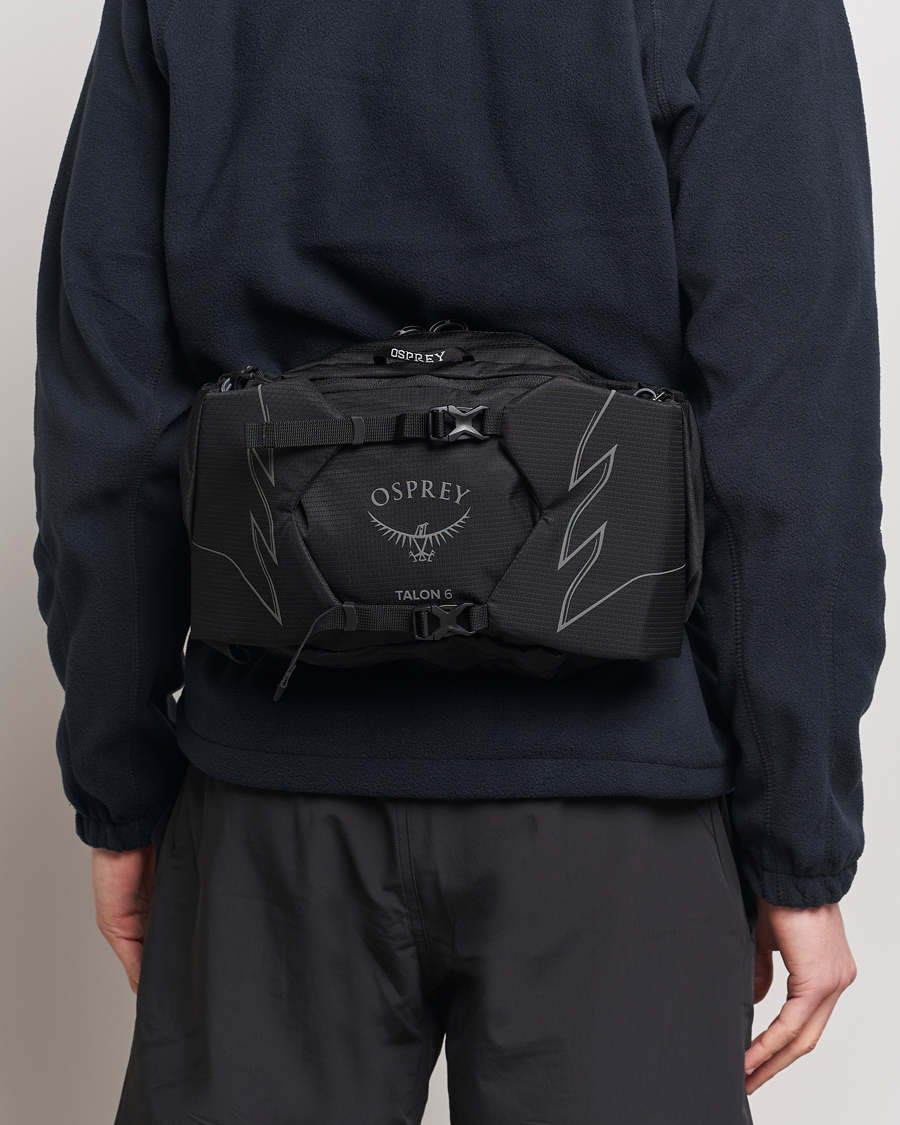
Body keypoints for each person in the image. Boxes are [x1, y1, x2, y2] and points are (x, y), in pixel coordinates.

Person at [34, 1, 883, 1122]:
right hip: (616, 814)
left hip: (271, 799)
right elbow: (793, 435)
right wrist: (798, 847)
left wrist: (121, 789)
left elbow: (108, 412)